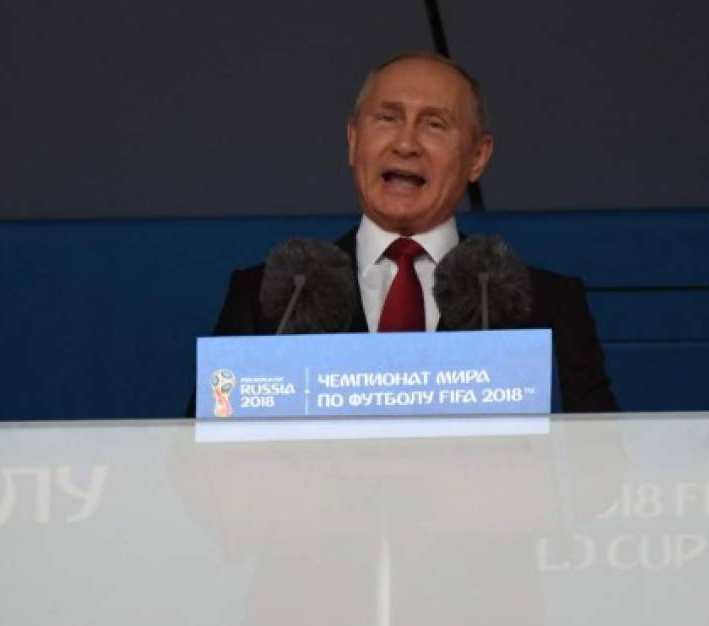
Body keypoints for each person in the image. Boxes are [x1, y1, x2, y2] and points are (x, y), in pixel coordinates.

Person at [208, 51, 618, 412]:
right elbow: (198, 467)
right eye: (387, 118)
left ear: (478, 157)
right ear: (354, 140)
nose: (405, 144)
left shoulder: (545, 307)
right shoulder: (270, 299)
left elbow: (598, 470)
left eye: (434, 125)